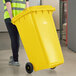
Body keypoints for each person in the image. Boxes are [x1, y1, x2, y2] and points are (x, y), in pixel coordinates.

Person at [3, 0, 29, 66]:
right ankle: (15, 57)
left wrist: (11, 17)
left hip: (10, 18)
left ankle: (15, 60)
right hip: (21, 17)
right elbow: (27, 5)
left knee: (14, 38)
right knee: (16, 38)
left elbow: (8, 3)